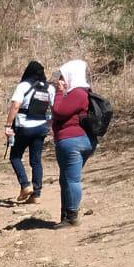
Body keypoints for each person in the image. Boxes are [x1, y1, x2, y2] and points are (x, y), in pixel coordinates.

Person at [51, 59, 94, 227]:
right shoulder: (84, 92)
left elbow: (59, 111)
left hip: (72, 141)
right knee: (66, 178)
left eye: (63, 76)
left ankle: (72, 216)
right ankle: (66, 213)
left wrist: (60, 92)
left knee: (72, 179)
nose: (60, 79)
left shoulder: (77, 93)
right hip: (80, 140)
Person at [3, 60, 52, 204]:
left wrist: (8, 125)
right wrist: (49, 126)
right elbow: (54, 108)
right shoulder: (49, 88)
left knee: (15, 156)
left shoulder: (23, 86)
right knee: (36, 160)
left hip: (24, 127)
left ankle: (25, 185)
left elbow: (15, 106)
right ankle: (36, 194)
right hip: (41, 127)